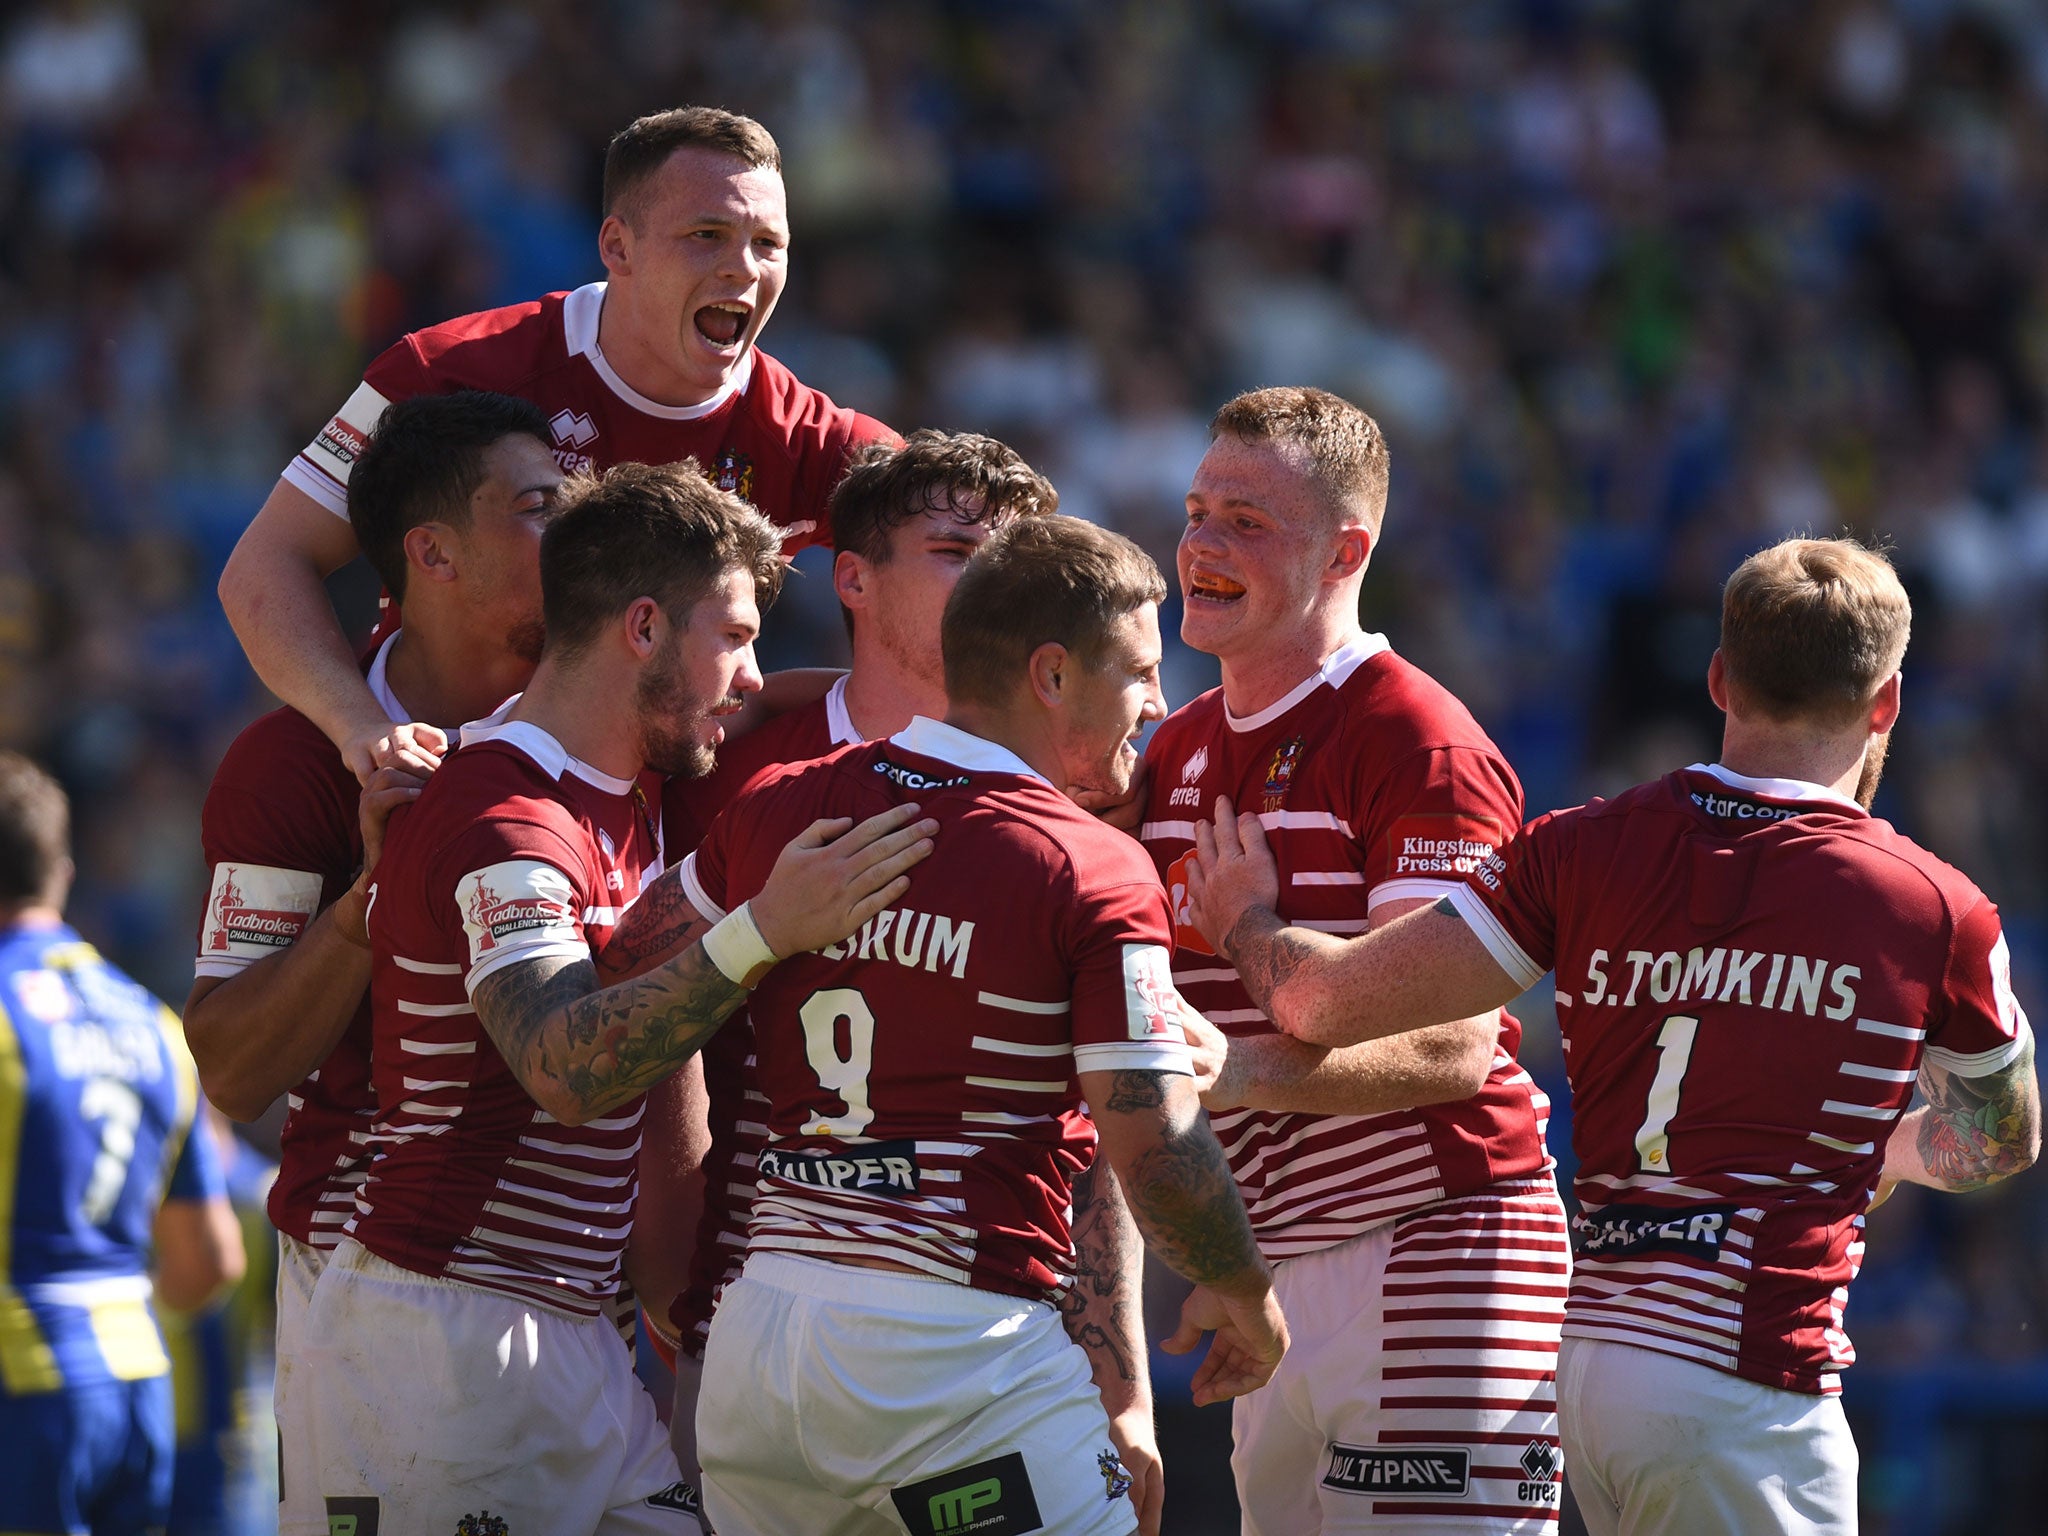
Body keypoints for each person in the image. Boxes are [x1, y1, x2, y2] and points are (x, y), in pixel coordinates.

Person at [1185, 536, 2042, 1536]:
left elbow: (1324, 1002)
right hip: (1744, 1364)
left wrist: (1243, 919)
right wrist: (1886, 1152)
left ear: (1718, 679)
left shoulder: (1577, 846)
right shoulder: (1935, 909)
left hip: (1585, 1363)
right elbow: (2001, 1137)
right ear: (1886, 700)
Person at [308, 461, 934, 1533]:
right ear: (641, 626)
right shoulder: (505, 816)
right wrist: (763, 930)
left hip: (567, 1337)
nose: (749, 679)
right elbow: (561, 1066)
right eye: (732, 638)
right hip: (445, 1341)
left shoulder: (617, 804)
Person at [637, 515, 1287, 1534]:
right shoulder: (1087, 864)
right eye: (1139, 671)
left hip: (756, 1354)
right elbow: (1152, 1143)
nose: (1159, 704)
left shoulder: (780, 804)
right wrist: (1243, 1289)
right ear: (1050, 675)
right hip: (951, 1361)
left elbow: (623, 971)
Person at [1139, 386, 1568, 1534]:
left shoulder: (1414, 740)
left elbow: (1448, 1046)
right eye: (1195, 511)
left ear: (1345, 549)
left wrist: (1243, 1044)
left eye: (1245, 521)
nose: (1200, 545)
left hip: (1438, 1242)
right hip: (1271, 1272)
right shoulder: (1171, 751)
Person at [218, 105, 894, 783]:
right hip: (427, 795)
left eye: (767, 244)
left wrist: (801, 715)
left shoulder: (809, 437)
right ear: (617, 246)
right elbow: (266, 563)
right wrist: (361, 728)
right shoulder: (444, 371)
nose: (742, 268)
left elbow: (973, 584)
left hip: (662, 837)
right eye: (706, 234)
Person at [185, 390, 564, 1535]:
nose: (576, 536)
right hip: (382, 1294)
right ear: (433, 552)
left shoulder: (613, 733)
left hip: (583, 1297)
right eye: (540, 509)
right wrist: (370, 906)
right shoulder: (290, 771)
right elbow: (230, 1069)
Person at [0, 751, 247, 1535]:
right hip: (136, 1384)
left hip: (21, 1388)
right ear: (62, 873)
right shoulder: (153, 1025)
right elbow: (211, 1260)